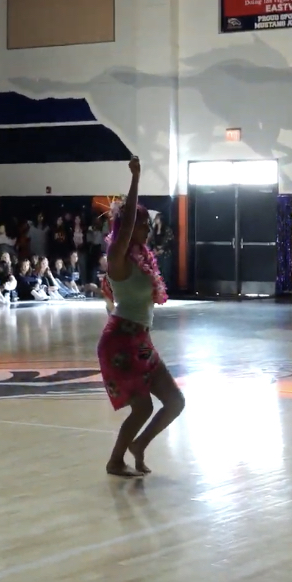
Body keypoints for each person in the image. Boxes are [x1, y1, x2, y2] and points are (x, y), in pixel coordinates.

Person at [98, 156, 183, 477]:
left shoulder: (143, 256)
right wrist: (136, 178)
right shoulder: (118, 257)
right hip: (120, 340)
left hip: (141, 339)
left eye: (147, 224)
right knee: (144, 407)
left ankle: (139, 445)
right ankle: (115, 460)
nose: (147, 229)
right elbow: (128, 223)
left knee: (175, 401)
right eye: (143, 224)